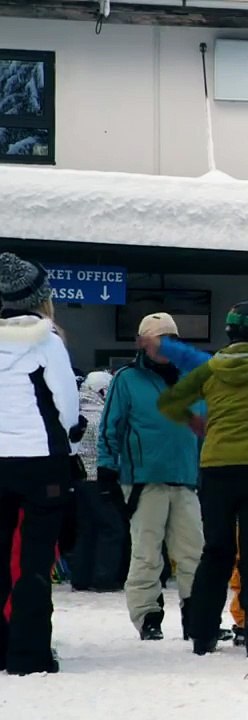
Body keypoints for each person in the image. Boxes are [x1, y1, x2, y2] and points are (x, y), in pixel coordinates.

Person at [158, 301, 248, 658]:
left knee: (216, 550)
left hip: (217, 467)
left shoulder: (210, 368)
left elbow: (170, 402)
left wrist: (196, 423)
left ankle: (203, 632)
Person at [98, 314, 204, 641]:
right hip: (143, 480)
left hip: (186, 478)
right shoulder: (127, 379)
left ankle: (198, 616)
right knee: (146, 553)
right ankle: (148, 616)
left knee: (194, 552)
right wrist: (106, 468)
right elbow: (110, 427)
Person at [0, 252, 79, 675]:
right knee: (34, 559)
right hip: (41, 462)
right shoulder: (47, 341)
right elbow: (66, 402)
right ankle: (29, 654)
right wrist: (72, 433)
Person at [70, 370, 125, 593]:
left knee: (86, 528)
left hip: (79, 480)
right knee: (112, 528)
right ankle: (104, 577)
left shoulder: (76, 414)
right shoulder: (102, 416)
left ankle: (80, 577)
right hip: (99, 479)